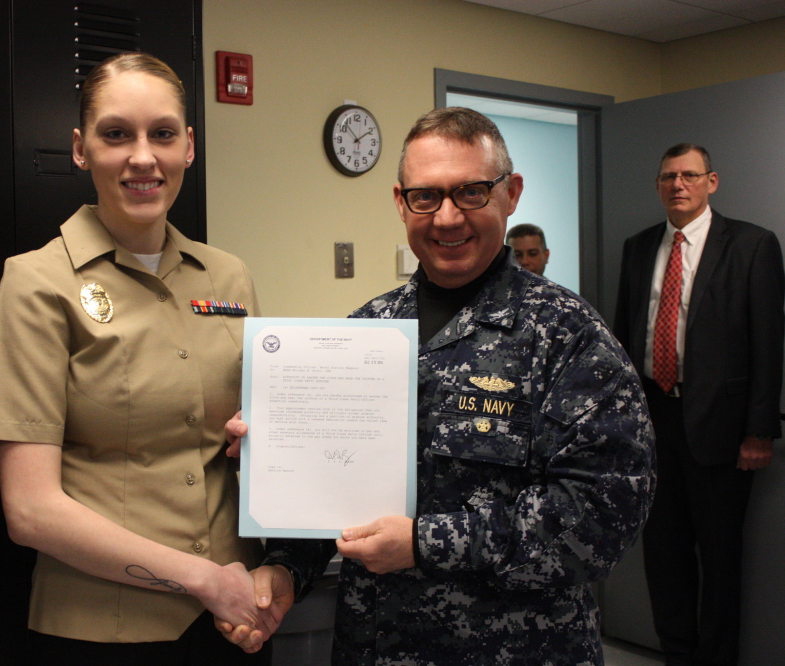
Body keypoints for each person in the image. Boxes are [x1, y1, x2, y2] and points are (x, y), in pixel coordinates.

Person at [219, 107, 656, 665]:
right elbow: (330, 498)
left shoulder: (567, 335)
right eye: (426, 197)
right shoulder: (364, 334)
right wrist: (284, 560)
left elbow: (602, 513)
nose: (448, 217)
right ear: (401, 202)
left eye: (471, 192)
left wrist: (426, 544)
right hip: (375, 648)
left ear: (511, 192)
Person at [0, 52, 278, 665]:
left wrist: (266, 437)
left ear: (188, 147)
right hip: (103, 631)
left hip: (236, 620)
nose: (143, 156)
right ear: (81, 149)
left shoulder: (228, 275)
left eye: (162, 133)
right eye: (117, 134)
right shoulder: (38, 283)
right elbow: (30, 511)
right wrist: (203, 579)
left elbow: (255, 436)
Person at [613, 143, 784, 666]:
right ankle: (678, 655)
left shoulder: (752, 245)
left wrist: (760, 431)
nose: (677, 184)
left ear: (712, 181)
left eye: (689, 175)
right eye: (668, 177)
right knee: (664, 557)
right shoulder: (639, 247)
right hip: (654, 421)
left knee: (719, 557)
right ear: (659, 185)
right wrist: (623, 423)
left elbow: (768, 343)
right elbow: (625, 335)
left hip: (723, 428)